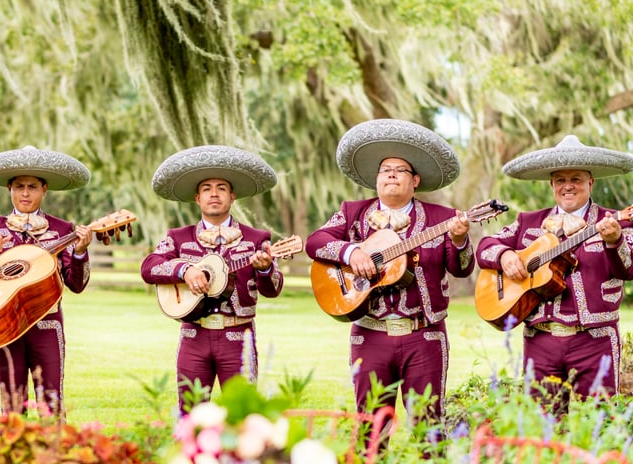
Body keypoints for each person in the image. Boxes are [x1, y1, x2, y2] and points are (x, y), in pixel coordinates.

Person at [305, 119, 473, 425]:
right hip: (369, 334)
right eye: (385, 169)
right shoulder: (352, 212)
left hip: (424, 336)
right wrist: (351, 251)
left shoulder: (444, 218)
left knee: (429, 427)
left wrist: (460, 239)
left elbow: (461, 269)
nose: (391, 174)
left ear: (416, 180)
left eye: (400, 169)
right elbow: (316, 242)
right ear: (377, 179)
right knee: (370, 427)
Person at [477, 135, 633, 402]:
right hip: (540, 341)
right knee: (544, 426)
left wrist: (614, 241)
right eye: (560, 180)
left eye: (575, 179)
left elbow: (630, 270)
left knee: (599, 422)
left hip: (594, 341)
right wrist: (505, 255)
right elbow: (485, 245)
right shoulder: (528, 221)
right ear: (552, 184)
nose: (568, 186)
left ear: (590, 182)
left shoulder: (616, 221)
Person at [140, 145, 283, 414]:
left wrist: (265, 269)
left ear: (232, 196)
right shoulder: (179, 237)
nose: (214, 194)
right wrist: (185, 271)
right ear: (197, 198)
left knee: (242, 415)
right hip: (194, 334)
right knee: (191, 413)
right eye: (207, 188)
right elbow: (149, 267)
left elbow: (273, 289)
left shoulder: (256, 238)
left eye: (221, 188)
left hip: (238, 334)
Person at [0, 146, 93, 417]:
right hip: (4, 324)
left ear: (44, 189)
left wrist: (80, 251)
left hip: (47, 325)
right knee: (11, 403)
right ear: (9, 188)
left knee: (52, 403)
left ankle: (53, 457)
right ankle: (14, 458)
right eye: (19, 186)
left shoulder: (62, 230)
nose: (25, 193)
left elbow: (77, 284)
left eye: (32, 187)